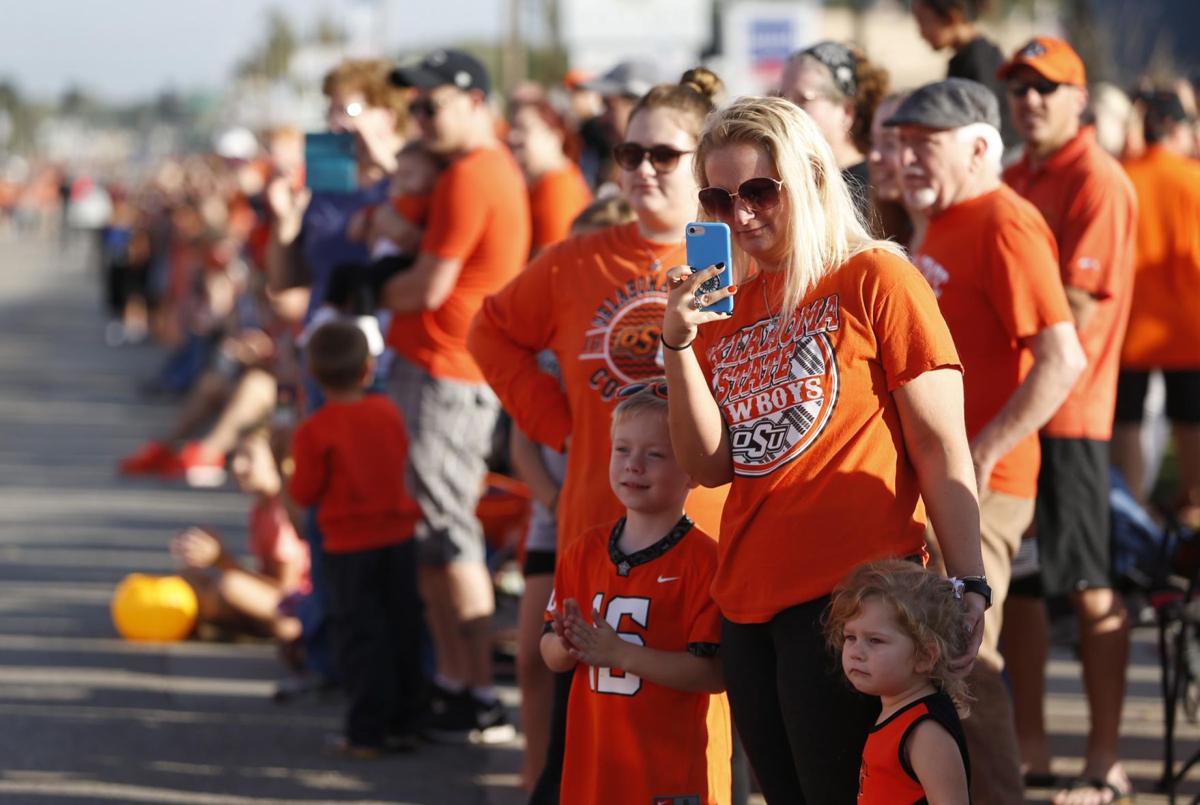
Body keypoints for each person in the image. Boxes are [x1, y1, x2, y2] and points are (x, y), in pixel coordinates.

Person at [662, 94, 986, 803]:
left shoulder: (876, 276)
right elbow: (709, 466)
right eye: (718, 196)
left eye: (758, 190)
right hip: (747, 603)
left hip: (855, 604)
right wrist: (678, 345)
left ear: (809, 178)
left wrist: (970, 581)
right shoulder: (723, 310)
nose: (740, 213)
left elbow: (939, 443)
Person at [469, 68, 732, 802]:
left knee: (700, 743)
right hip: (601, 524)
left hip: (707, 533)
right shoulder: (576, 258)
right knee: (588, 742)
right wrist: (564, 425)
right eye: (629, 153)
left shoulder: (726, 259)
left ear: (705, 158)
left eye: (665, 155)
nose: (643, 170)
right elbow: (489, 331)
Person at [888, 77, 1086, 804]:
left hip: (984, 483)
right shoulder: (942, 218)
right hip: (943, 477)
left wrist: (982, 449)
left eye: (925, 144)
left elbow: (1064, 356)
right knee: (934, 654)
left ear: (978, 146)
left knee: (970, 657)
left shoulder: (1005, 219)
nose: (907, 158)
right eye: (901, 142)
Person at [999, 38, 1139, 805]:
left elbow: (1075, 311)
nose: (1031, 101)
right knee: (1021, 586)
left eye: (1047, 88)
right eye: (1020, 89)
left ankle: (1107, 757)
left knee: (1088, 585)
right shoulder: (1013, 176)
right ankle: (1032, 745)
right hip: (1017, 412)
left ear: (1079, 98)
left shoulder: (1098, 179)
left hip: (1073, 414)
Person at [385, 49, 530, 742]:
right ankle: (455, 678)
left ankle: (476, 691)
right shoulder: (469, 171)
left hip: (450, 371)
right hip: (441, 368)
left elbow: (427, 287)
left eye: (429, 105)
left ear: (473, 102)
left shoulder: (475, 173)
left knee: (449, 530)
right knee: (435, 532)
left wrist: (363, 285)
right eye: (413, 106)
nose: (419, 118)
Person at [540, 383, 730, 805]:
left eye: (656, 454)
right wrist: (567, 646)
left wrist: (620, 654)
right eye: (622, 450)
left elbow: (713, 674)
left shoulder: (706, 561)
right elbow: (549, 651)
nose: (634, 466)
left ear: (693, 470)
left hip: (675, 767)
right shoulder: (582, 551)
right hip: (597, 765)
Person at [509, 194, 636, 792]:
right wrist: (559, 498)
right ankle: (538, 774)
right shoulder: (554, 342)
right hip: (557, 512)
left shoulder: (638, 322)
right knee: (539, 653)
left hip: (621, 513)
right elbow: (521, 443)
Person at [287, 320, 425, 757]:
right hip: (399, 534)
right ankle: (407, 721)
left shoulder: (315, 429)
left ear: (315, 373)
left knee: (360, 636)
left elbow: (305, 492)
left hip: (348, 544)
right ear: (368, 368)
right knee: (403, 626)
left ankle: (366, 731)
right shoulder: (386, 411)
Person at [1117, 90, 1200, 523]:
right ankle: (1193, 504)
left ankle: (1135, 507)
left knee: (1128, 419)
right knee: (1191, 418)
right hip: (1188, 326)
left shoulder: (1121, 175)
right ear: (1173, 127)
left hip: (1131, 327)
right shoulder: (1193, 177)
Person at [825, 560, 971, 804]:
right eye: (850, 637)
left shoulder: (925, 731)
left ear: (925, 655)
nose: (855, 652)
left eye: (875, 640)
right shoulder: (897, 709)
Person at [171, 428, 309, 641]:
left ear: (276, 460)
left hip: (298, 608)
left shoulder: (282, 515)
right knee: (187, 578)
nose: (237, 465)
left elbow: (288, 593)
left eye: (248, 456)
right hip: (272, 598)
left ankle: (263, 628)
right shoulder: (261, 507)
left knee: (231, 585)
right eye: (236, 456)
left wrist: (222, 560)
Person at [777, 41, 890, 219]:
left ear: (847, 111)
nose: (786, 111)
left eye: (802, 100)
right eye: (782, 99)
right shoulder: (789, 182)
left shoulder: (873, 189)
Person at [909, 0, 1019, 150]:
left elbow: (986, 126)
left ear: (952, 17)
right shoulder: (963, 59)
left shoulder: (979, 59)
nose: (921, 32)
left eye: (923, 21)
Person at [508, 98, 593, 255]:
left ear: (554, 137)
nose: (512, 137)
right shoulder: (544, 182)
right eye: (512, 128)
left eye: (523, 129)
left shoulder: (557, 187)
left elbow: (552, 263)